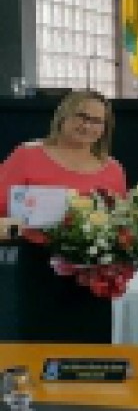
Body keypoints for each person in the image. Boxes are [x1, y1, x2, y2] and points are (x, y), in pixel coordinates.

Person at [0, 89, 126, 343]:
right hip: (37, 269)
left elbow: (120, 222)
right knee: (37, 346)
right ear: (63, 117)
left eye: (96, 121)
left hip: (92, 275)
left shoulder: (113, 168)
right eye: (81, 116)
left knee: (90, 350)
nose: (87, 125)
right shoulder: (27, 155)